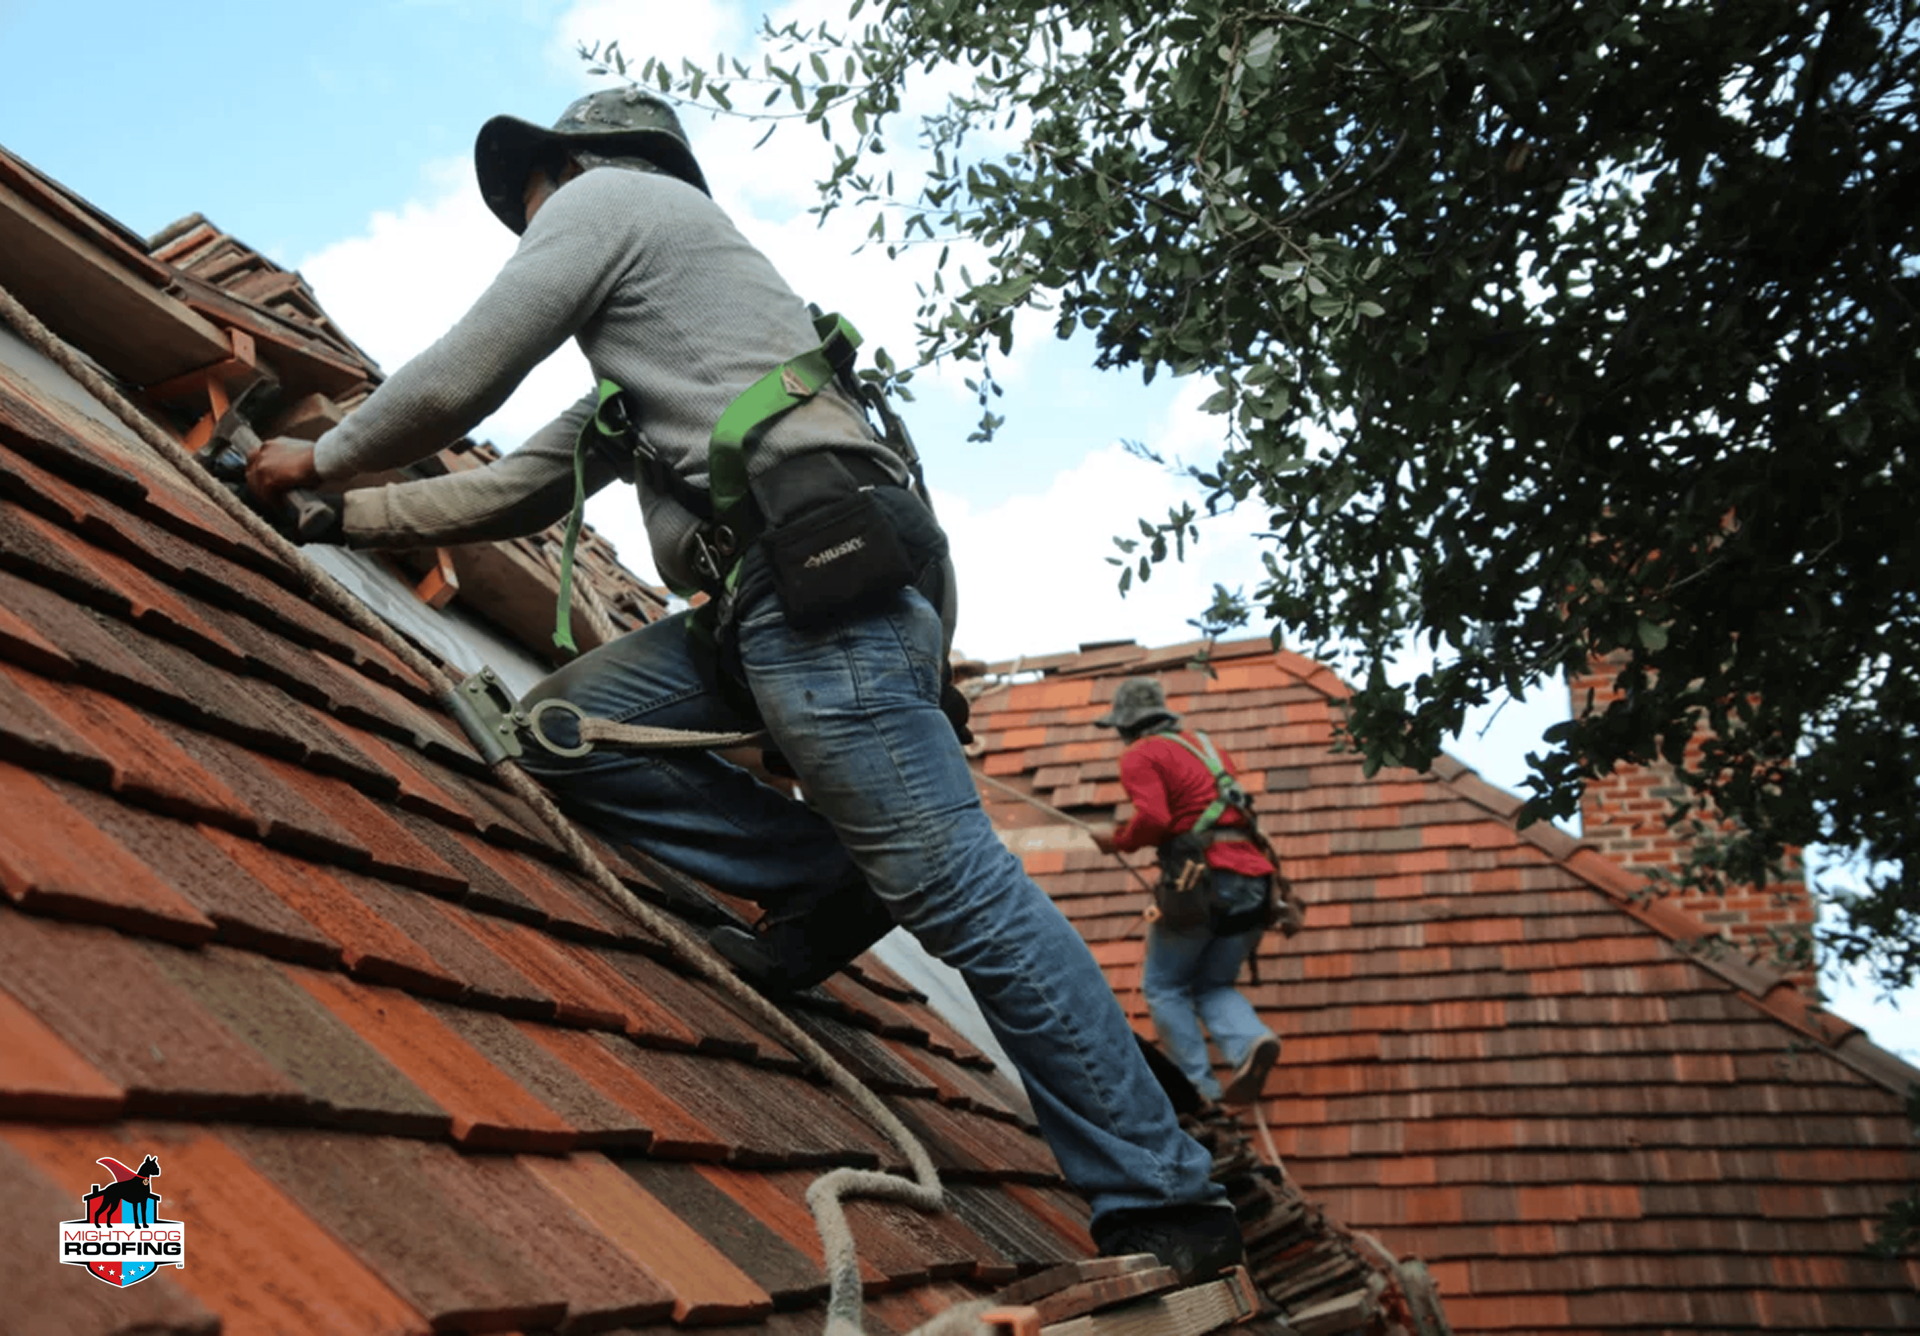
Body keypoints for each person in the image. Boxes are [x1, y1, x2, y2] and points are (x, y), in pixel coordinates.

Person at [248, 88, 1241, 1278]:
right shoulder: (673, 361)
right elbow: (507, 487)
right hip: (789, 607)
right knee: (564, 731)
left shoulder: (617, 200)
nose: (532, 230)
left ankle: (1163, 1196)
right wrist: (340, 517)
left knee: (963, 895)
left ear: (597, 167)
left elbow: (464, 374)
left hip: (821, 597)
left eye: (535, 200)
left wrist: (325, 449)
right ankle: (831, 882)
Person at [1092, 678, 1285, 1106]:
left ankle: (1200, 1088)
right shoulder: (1206, 746)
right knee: (1214, 984)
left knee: (1163, 986)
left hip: (1203, 882)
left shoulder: (1140, 754)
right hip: (1254, 880)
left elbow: (1156, 818)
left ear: (1126, 725)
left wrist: (1119, 840)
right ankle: (1251, 1042)